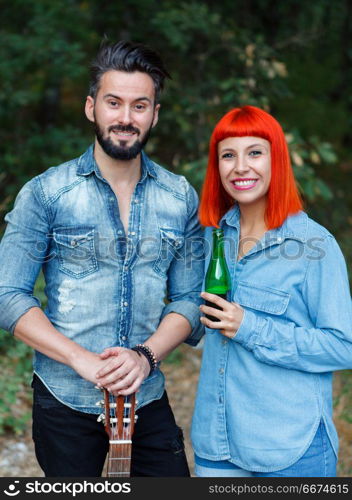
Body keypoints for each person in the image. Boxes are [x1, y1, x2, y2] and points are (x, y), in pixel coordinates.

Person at [0, 40, 204, 477]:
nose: (126, 118)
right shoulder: (46, 194)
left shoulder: (180, 196)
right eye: (114, 103)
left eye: (139, 105)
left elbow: (190, 300)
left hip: (147, 398)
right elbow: (7, 295)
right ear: (91, 107)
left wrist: (144, 357)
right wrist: (81, 359)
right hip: (65, 401)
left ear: (155, 114)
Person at [191, 105, 352, 477]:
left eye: (255, 153)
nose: (240, 167)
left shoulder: (314, 245)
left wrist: (250, 326)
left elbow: (344, 346)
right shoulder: (212, 236)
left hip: (290, 448)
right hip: (217, 444)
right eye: (228, 155)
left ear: (276, 160)